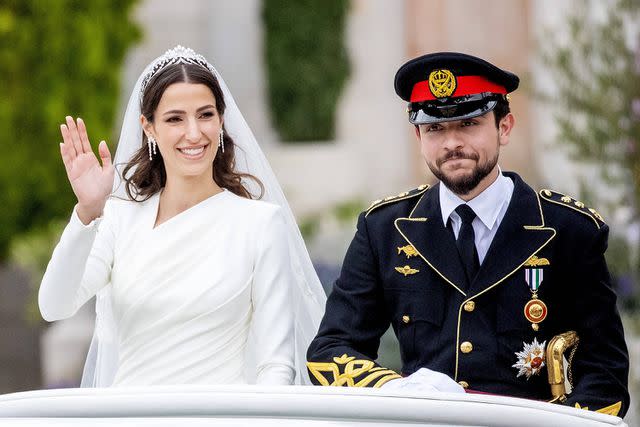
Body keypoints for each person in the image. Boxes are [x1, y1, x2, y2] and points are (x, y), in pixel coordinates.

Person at [306, 52, 630, 417]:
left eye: (468, 124)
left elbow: (605, 373)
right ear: (418, 135)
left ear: (504, 127)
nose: (451, 144)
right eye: (435, 129)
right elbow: (331, 348)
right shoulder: (384, 228)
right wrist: (399, 390)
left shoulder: (568, 229)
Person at [39, 46, 326, 387]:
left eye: (205, 115)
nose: (194, 133)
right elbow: (54, 306)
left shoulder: (260, 224)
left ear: (221, 119)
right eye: (175, 118)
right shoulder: (119, 218)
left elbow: (276, 367)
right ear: (149, 127)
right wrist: (88, 211)